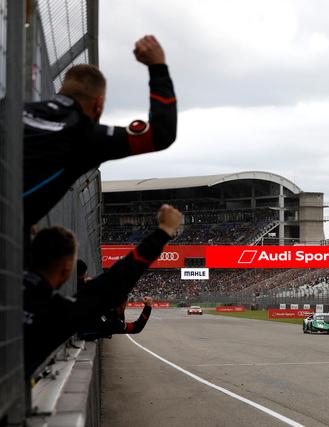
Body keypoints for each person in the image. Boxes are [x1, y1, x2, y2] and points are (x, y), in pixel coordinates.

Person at [23, 35, 177, 227]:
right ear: (98, 104)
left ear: (61, 91)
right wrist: (158, 67)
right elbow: (161, 134)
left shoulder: (12, 109)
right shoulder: (85, 134)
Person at [23, 204, 182, 378]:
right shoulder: (54, 313)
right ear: (67, 268)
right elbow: (114, 282)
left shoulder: (12, 284)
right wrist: (164, 231)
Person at [78, 296, 154, 341]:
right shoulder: (113, 322)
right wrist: (148, 307)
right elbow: (136, 328)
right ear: (121, 305)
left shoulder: (101, 306)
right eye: (125, 304)